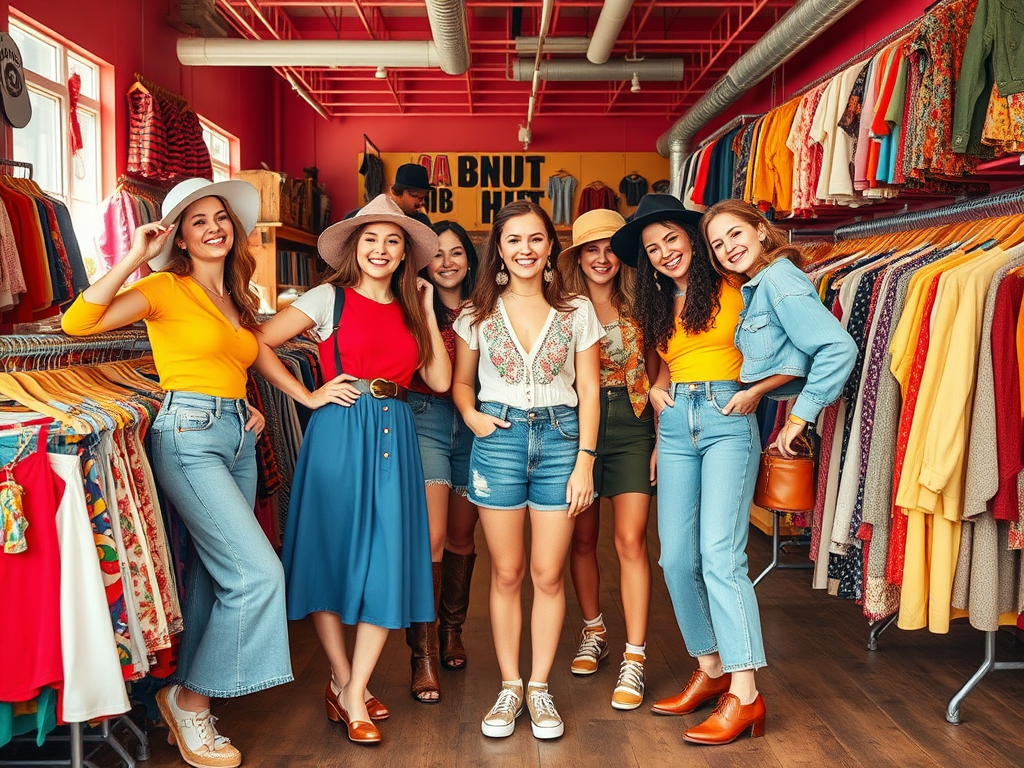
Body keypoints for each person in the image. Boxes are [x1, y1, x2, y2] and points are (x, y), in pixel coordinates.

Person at [62, 178, 291, 768]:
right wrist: (135, 256)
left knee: (217, 579)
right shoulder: (164, 286)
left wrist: (260, 407)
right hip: (188, 437)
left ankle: (187, 696)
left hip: (236, 433)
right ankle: (190, 701)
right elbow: (77, 326)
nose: (214, 227)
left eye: (221, 217)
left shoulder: (237, 297)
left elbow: (242, 358)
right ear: (181, 239)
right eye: (198, 222)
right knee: (259, 573)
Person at [252, 194, 450, 745]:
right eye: (372, 239)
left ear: (406, 252)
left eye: (393, 241)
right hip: (339, 431)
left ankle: (357, 686)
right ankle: (344, 681)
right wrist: (307, 395)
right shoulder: (327, 298)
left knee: (388, 563)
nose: (382, 249)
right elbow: (257, 344)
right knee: (328, 556)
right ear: (355, 247)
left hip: (397, 434)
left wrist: (429, 312)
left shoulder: (414, 306)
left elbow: (437, 380)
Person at [612, 194, 784, 746]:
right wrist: (660, 393)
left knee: (720, 555)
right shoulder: (658, 303)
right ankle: (711, 669)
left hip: (727, 418)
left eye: (672, 239)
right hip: (676, 424)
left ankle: (746, 692)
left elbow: (798, 352)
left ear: (692, 237)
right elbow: (664, 366)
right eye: (652, 248)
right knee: (674, 556)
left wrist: (754, 391)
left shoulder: (741, 286)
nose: (664, 253)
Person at [452, 201, 602, 741]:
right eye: (514, 240)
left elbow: (589, 390)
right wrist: (474, 418)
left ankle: (539, 688)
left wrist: (586, 459)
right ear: (499, 248)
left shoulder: (577, 311)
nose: (525, 250)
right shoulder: (475, 314)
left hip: (563, 442)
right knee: (508, 573)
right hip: (499, 440)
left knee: (547, 574)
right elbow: (462, 384)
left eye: (535, 239)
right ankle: (509, 685)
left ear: (550, 247)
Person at [557, 209, 657, 711]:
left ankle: (634, 657)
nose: (602, 258)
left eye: (610, 248)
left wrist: (661, 436)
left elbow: (663, 369)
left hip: (635, 425)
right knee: (582, 538)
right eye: (590, 249)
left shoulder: (644, 300)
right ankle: (594, 629)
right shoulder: (560, 306)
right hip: (575, 428)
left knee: (631, 539)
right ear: (576, 256)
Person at [700, 199, 856, 456]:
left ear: (760, 230)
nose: (729, 248)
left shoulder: (778, 277)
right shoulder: (756, 285)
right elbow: (795, 357)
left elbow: (838, 348)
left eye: (735, 233)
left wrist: (799, 417)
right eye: (718, 244)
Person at [403, 220, 480, 703]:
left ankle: (453, 632)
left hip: (476, 422)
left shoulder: (489, 306)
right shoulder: (409, 306)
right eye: (438, 253)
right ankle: (423, 654)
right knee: (431, 537)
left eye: (457, 252)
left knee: (461, 536)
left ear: (470, 260)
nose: (448, 261)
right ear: (424, 261)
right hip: (425, 417)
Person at [346, 163, 433, 226]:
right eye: (417, 196)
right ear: (397, 192)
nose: (421, 203)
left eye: (423, 197)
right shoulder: (363, 216)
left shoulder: (421, 221)